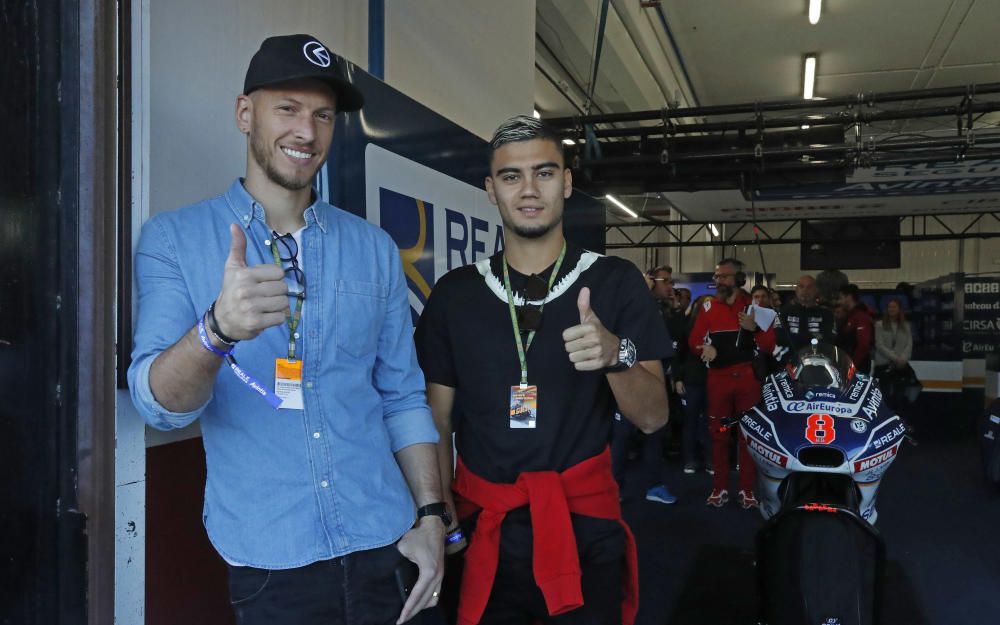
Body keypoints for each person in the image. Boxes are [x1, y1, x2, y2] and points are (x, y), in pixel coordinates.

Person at [127, 34, 445, 625]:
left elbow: (402, 395)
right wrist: (216, 331)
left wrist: (432, 517)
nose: (307, 131)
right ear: (245, 114)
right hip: (273, 562)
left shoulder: (373, 248)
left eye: (322, 115)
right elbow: (157, 404)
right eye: (288, 108)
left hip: (389, 543)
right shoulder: (174, 240)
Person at [414, 115, 671, 625]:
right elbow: (436, 421)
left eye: (545, 173)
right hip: (483, 521)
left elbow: (654, 418)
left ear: (568, 182)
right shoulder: (456, 293)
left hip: (585, 527)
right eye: (511, 176)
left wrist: (615, 356)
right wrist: (442, 518)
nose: (529, 190)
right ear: (491, 190)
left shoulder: (614, 282)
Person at [688, 259, 776, 509]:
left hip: (747, 379)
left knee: (747, 435)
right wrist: (704, 349)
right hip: (718, 380)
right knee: (719, 434)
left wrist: (755, 328)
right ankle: (720, 489)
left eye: (725, 277)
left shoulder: (755, 308)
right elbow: (693, 341)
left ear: (738, 280)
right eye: (717, 277)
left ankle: (747, 491)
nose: (719, 281)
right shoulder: (707, 308)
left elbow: (769, 346)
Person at [674, 294, 712, 475]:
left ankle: (710, 460)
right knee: (690, 422)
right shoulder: (687, 326)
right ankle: (690, 459)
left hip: (714, 381)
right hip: (692, 381)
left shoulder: (720, 326)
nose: (708, 307)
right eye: (704, 304)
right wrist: (678, 378)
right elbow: (678, 355)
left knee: (712, 422)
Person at [874, 298, 916, 422]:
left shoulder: (906, 326)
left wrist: (903, 358)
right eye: (889, 307)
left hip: (901, 366)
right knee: (885, 396)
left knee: (900, 396)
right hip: (883, 364)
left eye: (894, 307)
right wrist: (895, 358)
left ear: (899, 309)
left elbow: (909, 344)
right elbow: (879, 345)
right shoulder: (879, 325)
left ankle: (900, 421)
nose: (891, 309)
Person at [778, 274, 836, 357]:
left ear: (816, 290)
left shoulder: (826, 314)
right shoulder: (785, 312)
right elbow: (780, 338)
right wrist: (812, 337)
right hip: (790, 360)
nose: (805, 290)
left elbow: (829, 340)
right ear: (796, 290)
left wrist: (796, 337)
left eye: (809, 287)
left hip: (817, 359)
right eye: (801, 286)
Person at [837, 283, 874, 375]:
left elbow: (863, 345)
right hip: (850, 365)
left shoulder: (860, 316)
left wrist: (852, 366)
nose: (840, 302)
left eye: (841, 298)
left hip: (857, 367)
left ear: (849, 297)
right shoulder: (850, 316)